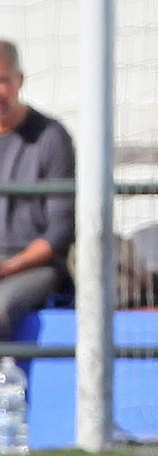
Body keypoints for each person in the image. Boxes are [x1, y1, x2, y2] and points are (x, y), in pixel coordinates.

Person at [0, 40, 74, 339]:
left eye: (2, 80)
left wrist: (8, 267)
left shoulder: (51, 137)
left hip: (36, 267)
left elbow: (59, 233)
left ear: (19, 80)